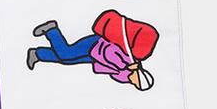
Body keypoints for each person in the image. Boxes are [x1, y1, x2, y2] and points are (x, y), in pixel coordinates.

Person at [26, 20, 154, 90]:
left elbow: (112, 72)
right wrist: (123, 65)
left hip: (96, 58)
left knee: (67, 61)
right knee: (66, 53)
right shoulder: (129, 60)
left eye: (137, 85)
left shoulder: (125, 77)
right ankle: (51, 30)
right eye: (137, 81)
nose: (134, 83)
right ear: (139, 74)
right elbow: (110, 50)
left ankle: (37, 54)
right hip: (97, 44)